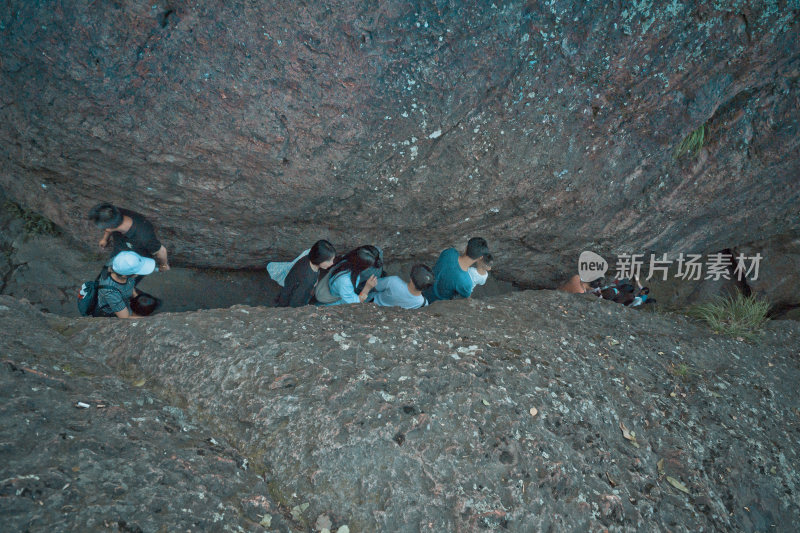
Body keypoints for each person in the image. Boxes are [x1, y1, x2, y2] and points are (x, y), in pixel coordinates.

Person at [88, 202, 170, 272]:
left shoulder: (144, 237)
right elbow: (108, 228)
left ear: (109, 227)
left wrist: (163, 266)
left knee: (126, 281)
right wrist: (105, 239)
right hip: (120, 247)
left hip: (136, 260)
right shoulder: (113, 213)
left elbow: (161, 251)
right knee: (109, 272)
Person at [423, 237, 491, 303]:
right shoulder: (466, 283)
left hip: (423, 286)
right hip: (435, 301)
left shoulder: (450, 252)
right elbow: (467, 297)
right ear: (480, 258)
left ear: (466, 247)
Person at [94, 251, 157, 318]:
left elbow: (129, 283)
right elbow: (125, 317)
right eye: (137, 272)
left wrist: (135, 296)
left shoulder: (118, 262)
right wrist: (150, 320)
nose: (139, 274)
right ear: (124, 276)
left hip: (124, 298)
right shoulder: (110, 292)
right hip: (111, 311)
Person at [275, 240, 336, 307]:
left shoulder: (307, 258)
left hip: (288, 290)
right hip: (289, 300)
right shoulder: (308, 279)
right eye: (329, 260)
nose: (332, 263)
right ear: (319, 259)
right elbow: (296, 302)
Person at [315, 245, 382, 305]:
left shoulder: (347, 259)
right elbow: (356, 302)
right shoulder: (345, 281)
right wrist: (367, 287)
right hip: (334, 303)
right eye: (368, 266)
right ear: (361, 265)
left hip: (339, 291)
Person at [368, 264, 434, 309]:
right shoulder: (423, 303)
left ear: (411, 278)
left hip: (373, 302)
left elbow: (374, 285)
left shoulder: (393, 281)